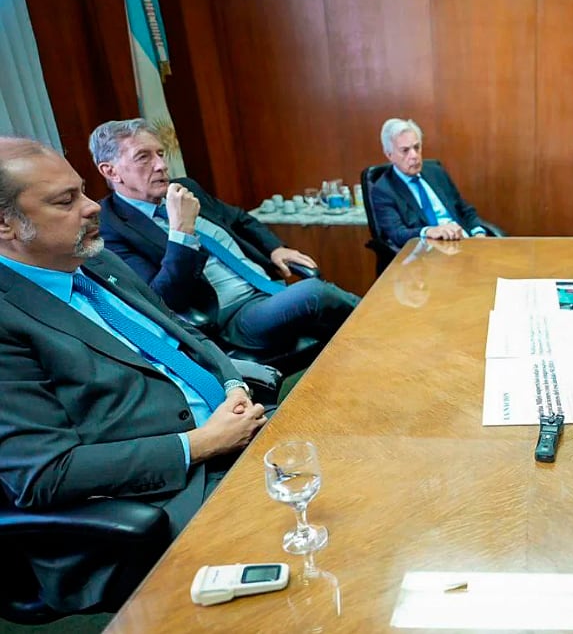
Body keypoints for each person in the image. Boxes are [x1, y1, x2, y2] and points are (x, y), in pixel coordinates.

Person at [0, 137, 268, 611]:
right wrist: (202, 444)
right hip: (160, 495)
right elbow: (43, 474)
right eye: (66, 201)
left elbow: (183, 333)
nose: (91, 208)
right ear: (5, 224)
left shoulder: (95, 259)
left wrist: (231, 384)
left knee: (358, 462)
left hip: (231, 434)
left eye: (83, 191)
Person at [89, 119, 360, 353]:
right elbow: (162, 301)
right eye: (143, 157)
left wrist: (275, 249)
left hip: (267, 287)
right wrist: (182, 233)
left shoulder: (184, 188)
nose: (161, 165)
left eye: (161, 153)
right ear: (110, 171)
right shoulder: (111, 228)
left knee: (342, 334)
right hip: (230, 316)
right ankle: (392, 329)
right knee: (315, 293)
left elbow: (239, 219)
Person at [370, 118, 489, 248]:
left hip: (465, 243)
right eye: (405, 150)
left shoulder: (435, 172)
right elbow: (397, 234)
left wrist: (478, 233)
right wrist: (428, 231)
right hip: (428, 253)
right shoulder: (383, 190)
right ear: (389, 155)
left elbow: (464, 209)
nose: (414, 155)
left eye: (416, 147)